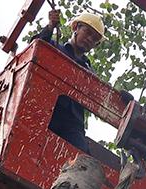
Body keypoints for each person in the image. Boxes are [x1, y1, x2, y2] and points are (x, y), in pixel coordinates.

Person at [32, 10, 107, 152]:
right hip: (48, 110)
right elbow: (37, 45)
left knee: (83, 158)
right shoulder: (55, 47)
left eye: (95, 38)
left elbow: (102, 96)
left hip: (72, 124)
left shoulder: (90, 73)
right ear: (76, 28)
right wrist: (50, 27)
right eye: (88, 32)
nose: (90, 39)